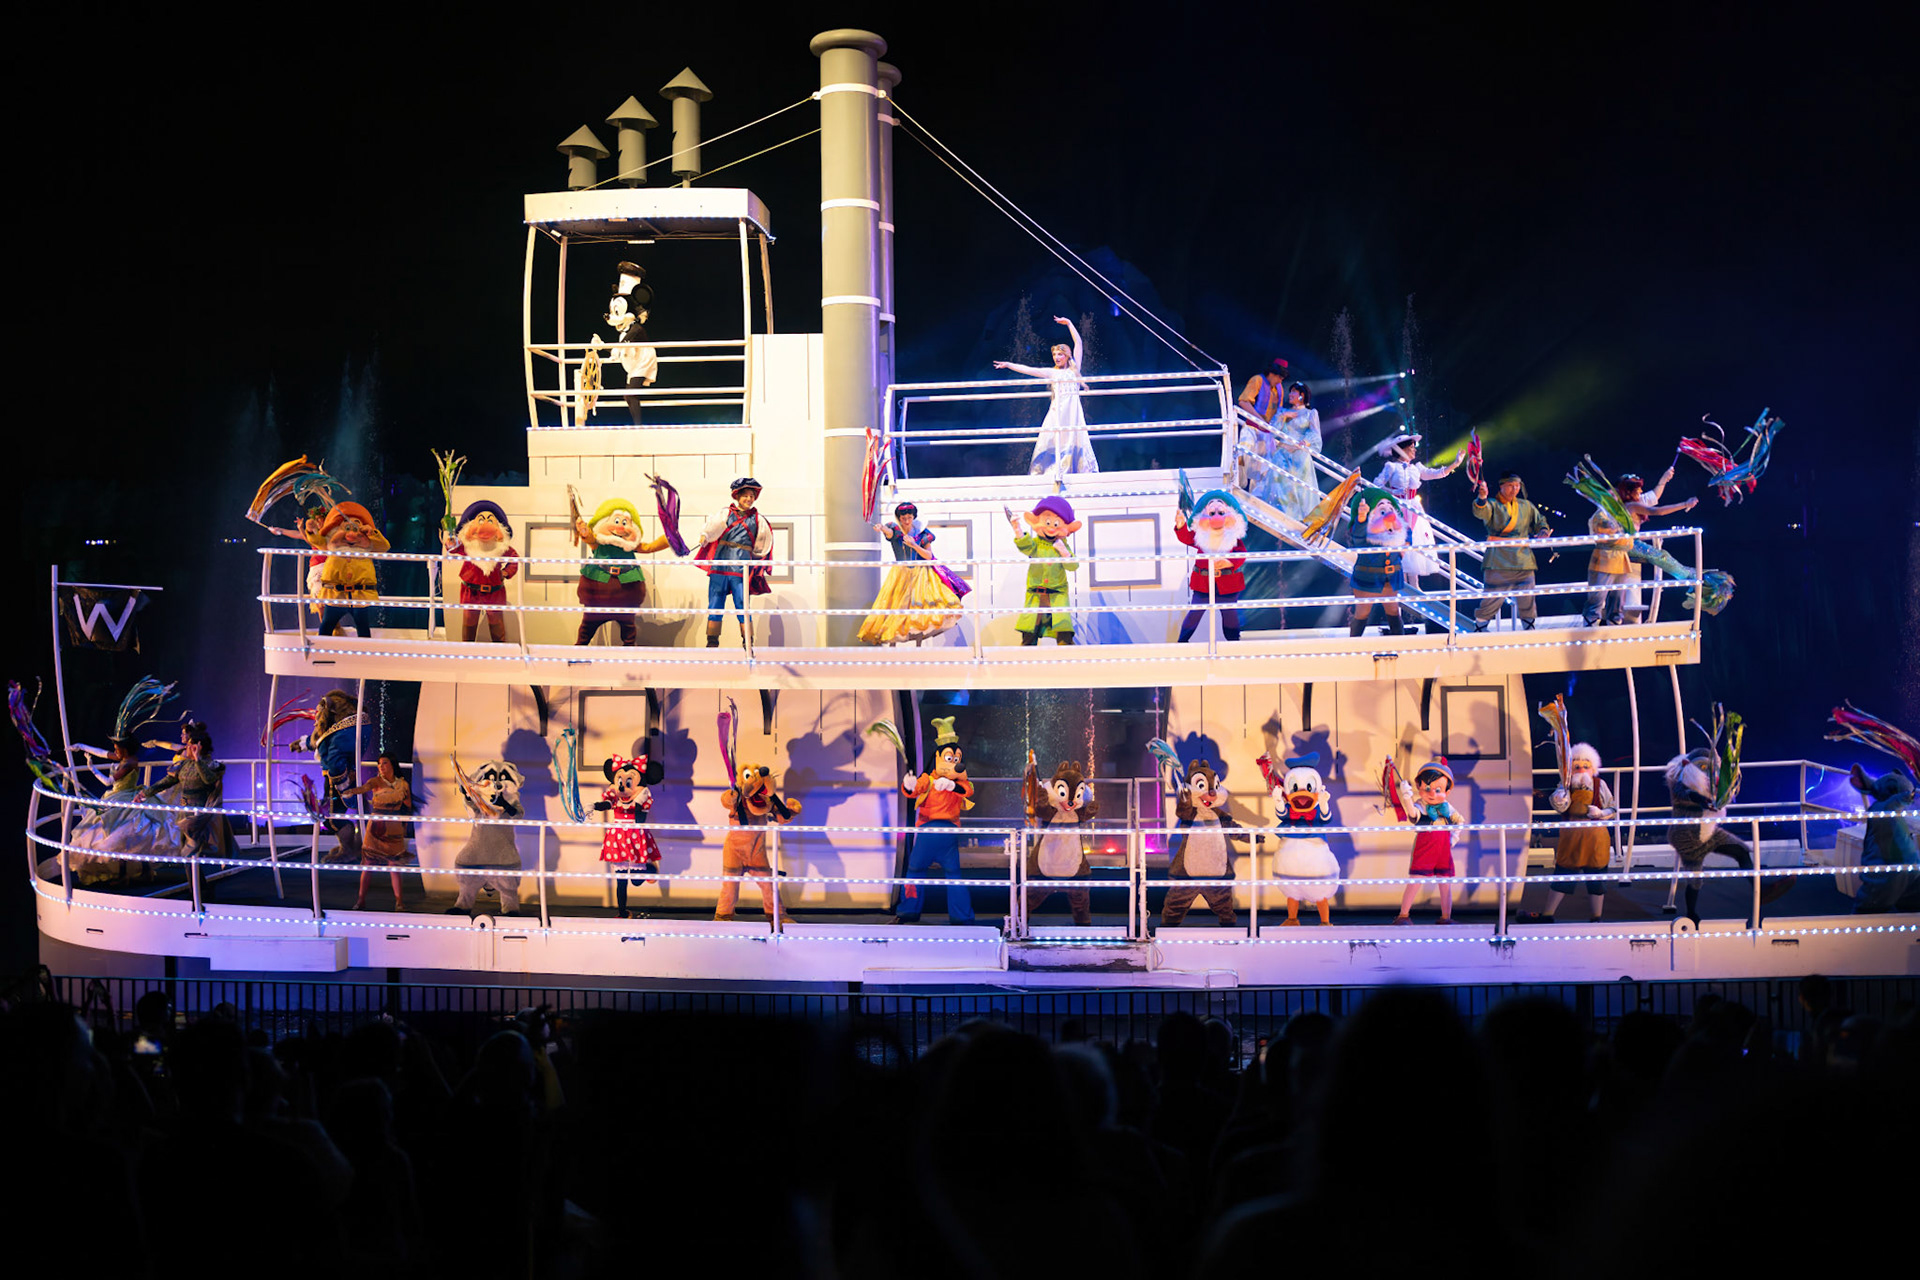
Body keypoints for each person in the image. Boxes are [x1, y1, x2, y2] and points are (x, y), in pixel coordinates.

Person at [1519, 743, 1617, 922]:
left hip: (1596, 839)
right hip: (1571, 838)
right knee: (1563, 875)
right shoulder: (1565, 785)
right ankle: (1548, 914)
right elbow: (1559, 806)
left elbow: (1612, 808)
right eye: (1577, 766)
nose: (1581, 769)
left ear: (1592, 767)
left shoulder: (1599, 784)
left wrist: (1601, 813)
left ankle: (1596, 917)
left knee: (1597, 879)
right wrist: (1558, 798)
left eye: (1585, 766)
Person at [894, 717, 977, 925]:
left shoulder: (959, 782)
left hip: (947, 833)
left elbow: (968, 790)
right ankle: (911, 911)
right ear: (938, 758)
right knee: (918, 871)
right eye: (950, 758)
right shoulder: (929, 779)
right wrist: (909, 785)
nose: (955, 763)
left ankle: (959, 916)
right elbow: (915, 790)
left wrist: (952, 786)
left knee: (946, 873)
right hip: (929, 832)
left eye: (957, 759)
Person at [996, 315, 1098, 478]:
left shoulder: (1074, 370)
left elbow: (1078, 343)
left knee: (1074, 437)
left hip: (1073, 412)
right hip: (1058, 411)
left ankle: (1075, 469)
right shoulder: (1052, 373)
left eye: (1060, 354)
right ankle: (1050, 470)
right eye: (1055, 355)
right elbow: (1030, 370)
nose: (1057, 357)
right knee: (1053, 438)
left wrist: (1069, 324)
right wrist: (1009, 365)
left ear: (1067, 356)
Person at [859, 500, 964, 645]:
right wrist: (882, 528)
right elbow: (889, 533)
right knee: (896, 608)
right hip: (900, 574)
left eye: (909, 517)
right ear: (899, 518)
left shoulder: (922, 533)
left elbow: (928, 555)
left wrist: (914, 545)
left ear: (914, 517)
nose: (907, 521)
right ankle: (893, 645)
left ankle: (918, 646)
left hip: (921, 575)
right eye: (903, 518)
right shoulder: (896, 530)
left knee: (919, 609)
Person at [573, 495, 670, 646]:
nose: (620, 527)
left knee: (628, 627)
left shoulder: (630, 546)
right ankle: (579, 650)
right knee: (587, 627)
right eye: (616, 521)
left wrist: (670, 538)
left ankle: (628, 650)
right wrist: (584, 531)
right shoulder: (599, 543)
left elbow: (649, 547)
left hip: (624, 596)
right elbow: (589, 538)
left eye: (625, 523)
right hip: (598, 597)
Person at [714, 762, 801, 926]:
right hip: (734, 852)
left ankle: (778, 917)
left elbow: (782, 818)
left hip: (756, 852)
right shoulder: (738, 799)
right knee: (729, 887)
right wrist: (731, 795)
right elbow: (726, 800)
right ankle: (723, 917)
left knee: (769, 886)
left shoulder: (766, 802)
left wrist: (791, 811)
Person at [1370, 431, 1463, 582]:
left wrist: (1455, 463)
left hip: (1414, 509)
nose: (1414, 450)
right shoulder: (1391, 467)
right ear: (1402, 450)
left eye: (1414, 447)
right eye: (1411, 447)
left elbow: (1436, 473)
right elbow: (1376, 485)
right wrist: (1392, 492)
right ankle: (1401, 584)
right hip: (1397, 509)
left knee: (1415, 543)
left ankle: (1414, 585)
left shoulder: (1416, 468)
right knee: (1399, 543)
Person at [140, 721, 237, 865]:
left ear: (198, 747)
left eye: (190, 746)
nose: (187, 748)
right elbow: (168, 781)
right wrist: (146, 792)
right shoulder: (184, 764)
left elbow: (208, 780)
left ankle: (199, 877)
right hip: (183, 812)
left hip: (199, 815)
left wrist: (197, 760)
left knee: (190, 850)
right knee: (186, 850)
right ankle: (196, 879)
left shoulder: (211, 765)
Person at [695, 477, 774, 649]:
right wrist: (704, 536)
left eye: (752, 496)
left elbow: (763, 544)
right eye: (745, 495)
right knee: (715, 601)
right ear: (737, 496)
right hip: (720, 564)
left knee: (742, 603)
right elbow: (712, 528)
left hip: (741, 567)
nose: (749, 499)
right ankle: (712, 642)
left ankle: (748, 642)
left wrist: (753, 560)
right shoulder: (725, 513)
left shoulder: (758, 520)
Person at [1161, 758, 1242, 928]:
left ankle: (1229, 929)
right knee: (1176, 904)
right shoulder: (1190, 812)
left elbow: (1231, 827)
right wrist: (1184, 799)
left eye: (1215, 786)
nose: (1211, 793)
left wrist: (1249, 837)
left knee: (1224, 905)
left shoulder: (1218, 813)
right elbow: (1183, 812)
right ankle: (1168, 929)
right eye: (1202, 786)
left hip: (1215, 870)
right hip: (1187, 871)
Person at [1469, 471, 1552, 631]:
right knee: (1492, 598)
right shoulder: (1492, 504)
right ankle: (1480, 629)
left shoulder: (1526, 506)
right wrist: (1482, 497)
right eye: (1510, 486)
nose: (1515, 489)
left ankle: (1529, 629)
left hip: (1523, 559)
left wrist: (1543, 530)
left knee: (1527, 598)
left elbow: (1540, 521)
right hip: (1498, 560)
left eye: (1517, 486)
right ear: (1501, 486)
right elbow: (1480, 512)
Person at [1613, 470, 1699, 622]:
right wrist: (1685, 504)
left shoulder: (1634, 501)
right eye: (1638, 490)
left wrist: (1664, 479)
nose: (1641, 492)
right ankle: (1689, 576)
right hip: (1626, 545)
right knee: (1659, 555)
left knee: (1661, 555)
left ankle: (1688, 574)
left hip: (1630, 544)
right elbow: (1658, 511)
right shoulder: (1631, 506)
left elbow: (1654, 496)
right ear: (1629, 492)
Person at [1389, 759, 1463, 924]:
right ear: (1419, 787)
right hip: (1425, 846)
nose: (1432, 794)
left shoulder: (1447, 808)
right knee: (1415, 880)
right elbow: (1414, 815)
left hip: (1443, 849)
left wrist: (1453, 839)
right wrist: (1407, 798)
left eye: (1438, 790)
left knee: (1445, 883)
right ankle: (1403, 915)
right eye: (1427, 788)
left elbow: (1459, 822)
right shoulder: (1421, 805)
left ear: (1447, 791)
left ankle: (1446, 917)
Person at [1173, 489, 1250, 643]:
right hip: (1203, 584)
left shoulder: (1233, 538)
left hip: (1228, 584)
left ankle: (1234, 643)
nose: (1216, 517)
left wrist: (1229, 562)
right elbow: (1186, 537)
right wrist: (1180, 525)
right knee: (1195, 613)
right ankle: (1182, 642)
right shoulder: (1201, 537)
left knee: (1229, 615)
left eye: (1221, 513)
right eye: (1211, 513)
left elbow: (1241, 554)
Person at [594, 752, 665, 918]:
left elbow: (640, 816)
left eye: (628, 782)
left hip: (635, 838)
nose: (622, 787)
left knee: (635, 880)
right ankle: (622, 912)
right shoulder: (614, 796)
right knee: (620, 879)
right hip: (617, 838)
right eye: (620, 782)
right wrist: (595, 806)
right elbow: (607, 803)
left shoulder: (643, 797)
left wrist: (638, 805)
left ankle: (650, 869)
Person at [1029, 760, 1098, 926]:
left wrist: (1090, 809)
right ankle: (1019, 921)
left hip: (1073, 864)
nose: (1071, 802)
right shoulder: (1052, 811)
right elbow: (1041, 811)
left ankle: (1083, 925)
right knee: (1030, 897)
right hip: (1046, 864)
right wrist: (1042, 801)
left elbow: (1086, 814)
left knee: (1080, 899)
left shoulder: (1077, 813)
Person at [305, 502, 390, 637]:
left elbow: (384, 547)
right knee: (327, 625)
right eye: (346, 527)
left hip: (359, 595)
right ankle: (323, 647)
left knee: (362, 626)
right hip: (335, 595)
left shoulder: (367, 546)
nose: (351, 534)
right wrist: (310, 530)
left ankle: (364, 649)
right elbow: (317, 541)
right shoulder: (331, 544)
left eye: (356, 527)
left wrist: (372, 533)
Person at [339, 754, 412, 911]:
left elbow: (408, 804)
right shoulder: (376, 781)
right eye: (379, 764)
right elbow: (364, 788)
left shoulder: (403, 784)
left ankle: (399, 902)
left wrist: (404, 825)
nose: (381, 766)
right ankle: (361, 900)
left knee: (394, 864)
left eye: (384, 763)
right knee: (368, 863)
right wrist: (351, 791)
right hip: (376, 826)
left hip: (394, 826)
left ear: (392, 764)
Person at [441, 500, 520, 643]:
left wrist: (505, 572)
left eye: (490, 520)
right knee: (469, 626)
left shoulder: (501, 548)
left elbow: (514, 559)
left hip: (494, 592)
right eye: (481, 520)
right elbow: (453, 548)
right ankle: (468, 651)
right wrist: (450, 542)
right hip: (471, 592)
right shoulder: (468, 546)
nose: (485, 525)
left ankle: (499, 651)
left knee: (497, 627)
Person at [1845, 765, 1920, 913]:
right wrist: (1909, 795)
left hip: (1904, 869)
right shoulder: (1881, 810)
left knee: (1909, 899)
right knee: (1870, 905)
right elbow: (1898, 800)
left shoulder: (1889, 812)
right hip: (1891, 871)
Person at [1008, 495, 1081, 645]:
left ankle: (1067, 654)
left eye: (1056, 524)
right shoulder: (1036, 544)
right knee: (1029, 629)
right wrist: (1017, 529)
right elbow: (1026, 547)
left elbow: (1072, 566)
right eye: (1047, 522)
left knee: (1063, 629)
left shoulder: (1062, 545)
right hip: (1036, 594)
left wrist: (1063, 552)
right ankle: (1026, 655)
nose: (1051, 528)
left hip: (1057, 594)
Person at [590, 260, 656, 425]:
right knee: (628, 395)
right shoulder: (624, 332)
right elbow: (618, 349)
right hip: (633, 363)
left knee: (631, 394)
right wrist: (601, 345)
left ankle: (638, 427)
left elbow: (633, 335)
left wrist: (621, 344)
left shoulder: (635, 329)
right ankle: (637, 425)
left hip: (642, 362)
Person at [1347, 486, 1410, 636]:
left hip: (1391, 578)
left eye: (1390, 506)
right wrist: (1361, 518)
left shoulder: (1397, 530)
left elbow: (1407, 534)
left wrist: (1403, 550)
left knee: (1393, 611)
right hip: (1367, 578)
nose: (1387, 511)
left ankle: (1400, 643)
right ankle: (1353, 645)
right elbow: (1358, 540)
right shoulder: (1366, 531)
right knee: (1362, 613)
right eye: (1381, 508)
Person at [1267, 382, 1324, 519]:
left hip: (1299, 454)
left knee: (1301, 489)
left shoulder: (1310, 413)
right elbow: (1272, 431)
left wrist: (1306, 441)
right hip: (1282, 453)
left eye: (1293, 392)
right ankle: (1283, 517)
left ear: (1301, 395)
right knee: (1281, 487)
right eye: (1290, 391)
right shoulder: (1283, 412)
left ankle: (1302, 519)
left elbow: (1315, 434)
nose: (1290, 394)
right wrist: (1283, 416)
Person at [1235, 357, 1289, 493]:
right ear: (1272, 373)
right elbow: (1243, 401)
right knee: (1243, 454)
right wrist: (1260, 420)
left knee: (1262, 469)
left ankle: (1255, 498)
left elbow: (1278, 412)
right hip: (1252, 427)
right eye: (1279, 377)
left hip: (1266, 433)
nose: (1280, 381)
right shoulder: (1258, 380)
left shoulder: (1279, 389)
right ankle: (1236, 486)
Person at [1584, 507, 1633, 627]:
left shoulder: (1623, 512)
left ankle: (1615, 625)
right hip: (1604, 558)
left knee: (1618, 599)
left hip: (1621, 559)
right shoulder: (1601, 514)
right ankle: (1590, 626)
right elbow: (1603, 533)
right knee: (1597, 597)